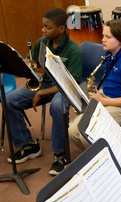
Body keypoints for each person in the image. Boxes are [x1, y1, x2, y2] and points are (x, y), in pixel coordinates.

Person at [6, 8, 83, 175]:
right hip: (45, 83)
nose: (43, 30)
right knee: (9, 100)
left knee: (56, 106)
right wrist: (29, 64)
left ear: (61, 29)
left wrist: (40, 93)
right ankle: (29, 145)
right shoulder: (42, 42)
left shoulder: (73, 50)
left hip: (65, 89)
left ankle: (59, 154)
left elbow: (71, 85)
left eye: (48, 27)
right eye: (43, 26)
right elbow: (33, 61)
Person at [68, 19, 121, 151]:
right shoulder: (109, 54)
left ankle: (106, 162)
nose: (103, 39)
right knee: (73, 131)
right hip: (107, 96)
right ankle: (92, 158)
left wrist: (103, 101)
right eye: (103, 35)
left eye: (108, 37)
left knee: (87, 137)